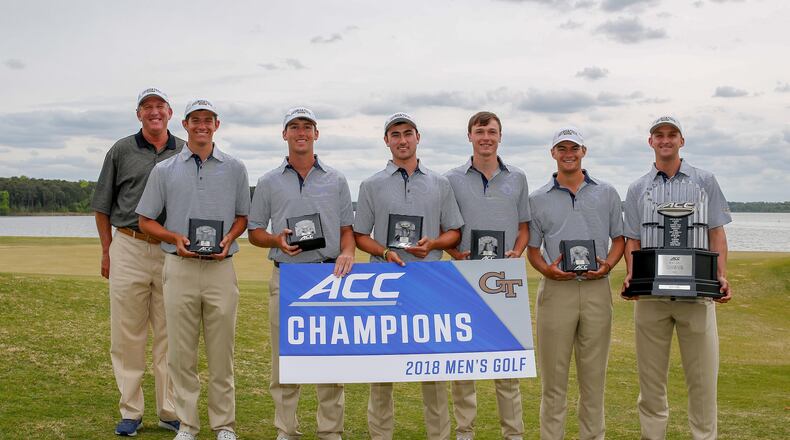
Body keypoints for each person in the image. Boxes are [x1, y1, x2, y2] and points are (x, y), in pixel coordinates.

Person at [136, 99, 250, 440]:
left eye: (208, 120)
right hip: (179, 267)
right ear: (184, 125)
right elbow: (144, 221)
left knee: (221, 353)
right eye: (195, 120)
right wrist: (173, 236)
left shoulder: (235, 168)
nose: (202, 125)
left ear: (217, 124)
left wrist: (229, 237)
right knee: (181, 353)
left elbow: (243, 215)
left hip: (221, 269)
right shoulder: (165, 170)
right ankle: (188, 424)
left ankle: (224, 425)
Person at [353, 112, 464, 440]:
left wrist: (434, 242)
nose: (402, 140)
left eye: (408, 133)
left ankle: (439, 436)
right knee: (382, 371)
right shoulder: (371, 184)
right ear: (386, 141)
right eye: (395, 135)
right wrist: (385, 251)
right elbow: (361, 235)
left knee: (433, 371)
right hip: (384, 282)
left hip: (428, 282)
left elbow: (454, 232)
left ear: (418, 138)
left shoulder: (440, 183)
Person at [621, 116, 732, 440]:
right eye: (659, 135)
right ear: (651, 142)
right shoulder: (638, 187)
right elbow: (632, 239)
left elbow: (716, 233)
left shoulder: (705, 181)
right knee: (651, 386)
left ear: (681, 141)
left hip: (697, 298)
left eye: (672, 135)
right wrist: (633, 275)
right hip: (652, 299)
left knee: (702, 383)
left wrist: (721, 275)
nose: (665, 140)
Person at [248, 107, 354, 440]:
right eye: (294, 127)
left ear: (316, 134)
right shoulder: (267, 181)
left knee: (330, 359)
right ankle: (286, 430)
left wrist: (349, 251)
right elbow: (254, 231)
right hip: (287, 276)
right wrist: (274, 239)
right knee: (284, 360)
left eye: (307, 127)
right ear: (285, 135)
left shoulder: (336, 179)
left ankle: (330, 431)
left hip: (327, 277)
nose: (301, 132)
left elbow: (346, 229)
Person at [92, 87, 182, 436]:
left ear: (170, 113)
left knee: (170, 334)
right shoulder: (121, 150)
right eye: (147, 107)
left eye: (160, 106)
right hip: (128, 245)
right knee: (127, 334)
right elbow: (102, 205)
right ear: (139, 114)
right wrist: (106, 250)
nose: (154, 112)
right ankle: (131, 410)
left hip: (170, 250)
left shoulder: (186, 152)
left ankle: (169, 409)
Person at [526, 127, 624, 440]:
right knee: (553, 382)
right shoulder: (537, 198)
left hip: (597, 288)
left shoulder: (606, 192)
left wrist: (607, 265)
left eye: (574, 148)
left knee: (594, 380)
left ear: (584, 151)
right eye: (562, 148)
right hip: (556, 291)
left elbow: (619, 239)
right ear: (552, 153)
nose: (568, 153)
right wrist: (547, 270)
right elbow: (532, 249)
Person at [444, 111, 531, 440]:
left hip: (504, 278)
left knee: (506, 362)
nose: (486, 137)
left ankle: (513, 433)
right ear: (469, 136)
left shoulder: (518, 177)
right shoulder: (450, 179)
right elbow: (446, 228)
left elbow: (524, 227)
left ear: (500, 136)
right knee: (464, 360)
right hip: (463, 277)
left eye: (492, 131)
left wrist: (517, 252)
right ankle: (465, 431)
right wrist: (455, 253)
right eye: (480, 131)